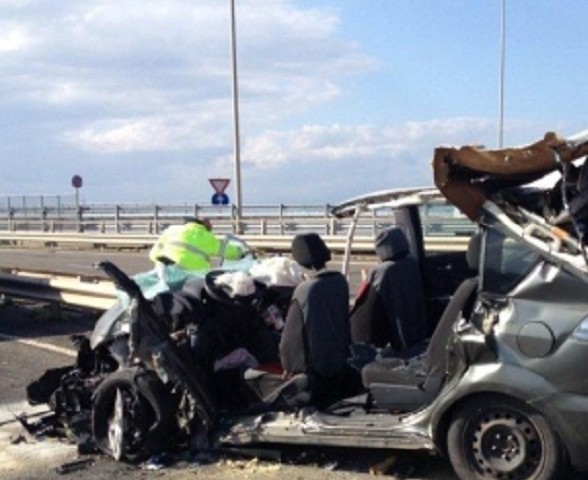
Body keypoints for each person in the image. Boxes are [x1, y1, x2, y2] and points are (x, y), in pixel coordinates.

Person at [149, 217, 245, 272]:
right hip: (193, 276)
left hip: (165, 271)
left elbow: (153, 254)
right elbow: (226, 251)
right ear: (206, 227)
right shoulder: (205, 236)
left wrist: (167, 263)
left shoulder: (172, 230)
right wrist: (241, 252)